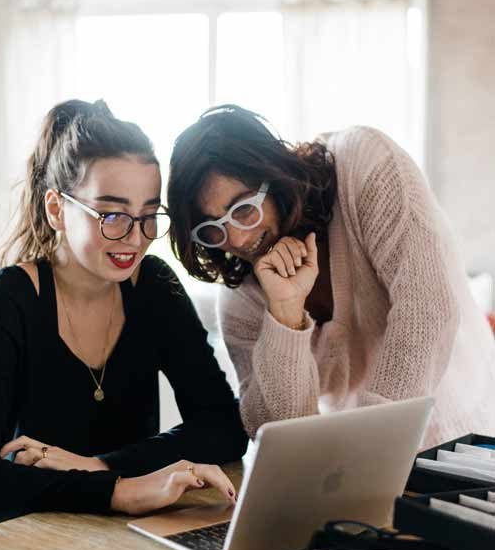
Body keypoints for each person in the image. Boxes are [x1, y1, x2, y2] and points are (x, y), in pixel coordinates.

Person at [0, 99, 246, 532]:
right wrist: (121, 490)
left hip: (121, 538)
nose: (134, 238)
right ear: (57, 209)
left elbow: (225, 427)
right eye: (112, 215)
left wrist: (99, 465)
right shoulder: (11, 297)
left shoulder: (153, 285)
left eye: (149, 216)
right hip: (22, 541)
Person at [167, 104, 495, 448]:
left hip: (463, 433)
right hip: (356, 461)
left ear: (275, 177)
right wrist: (285, 313)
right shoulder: (240, 297)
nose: (236, 240)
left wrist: (372, 445)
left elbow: (425, 311)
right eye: (212, 229)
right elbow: (276, 432)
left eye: (244, 209)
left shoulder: (365, 165)